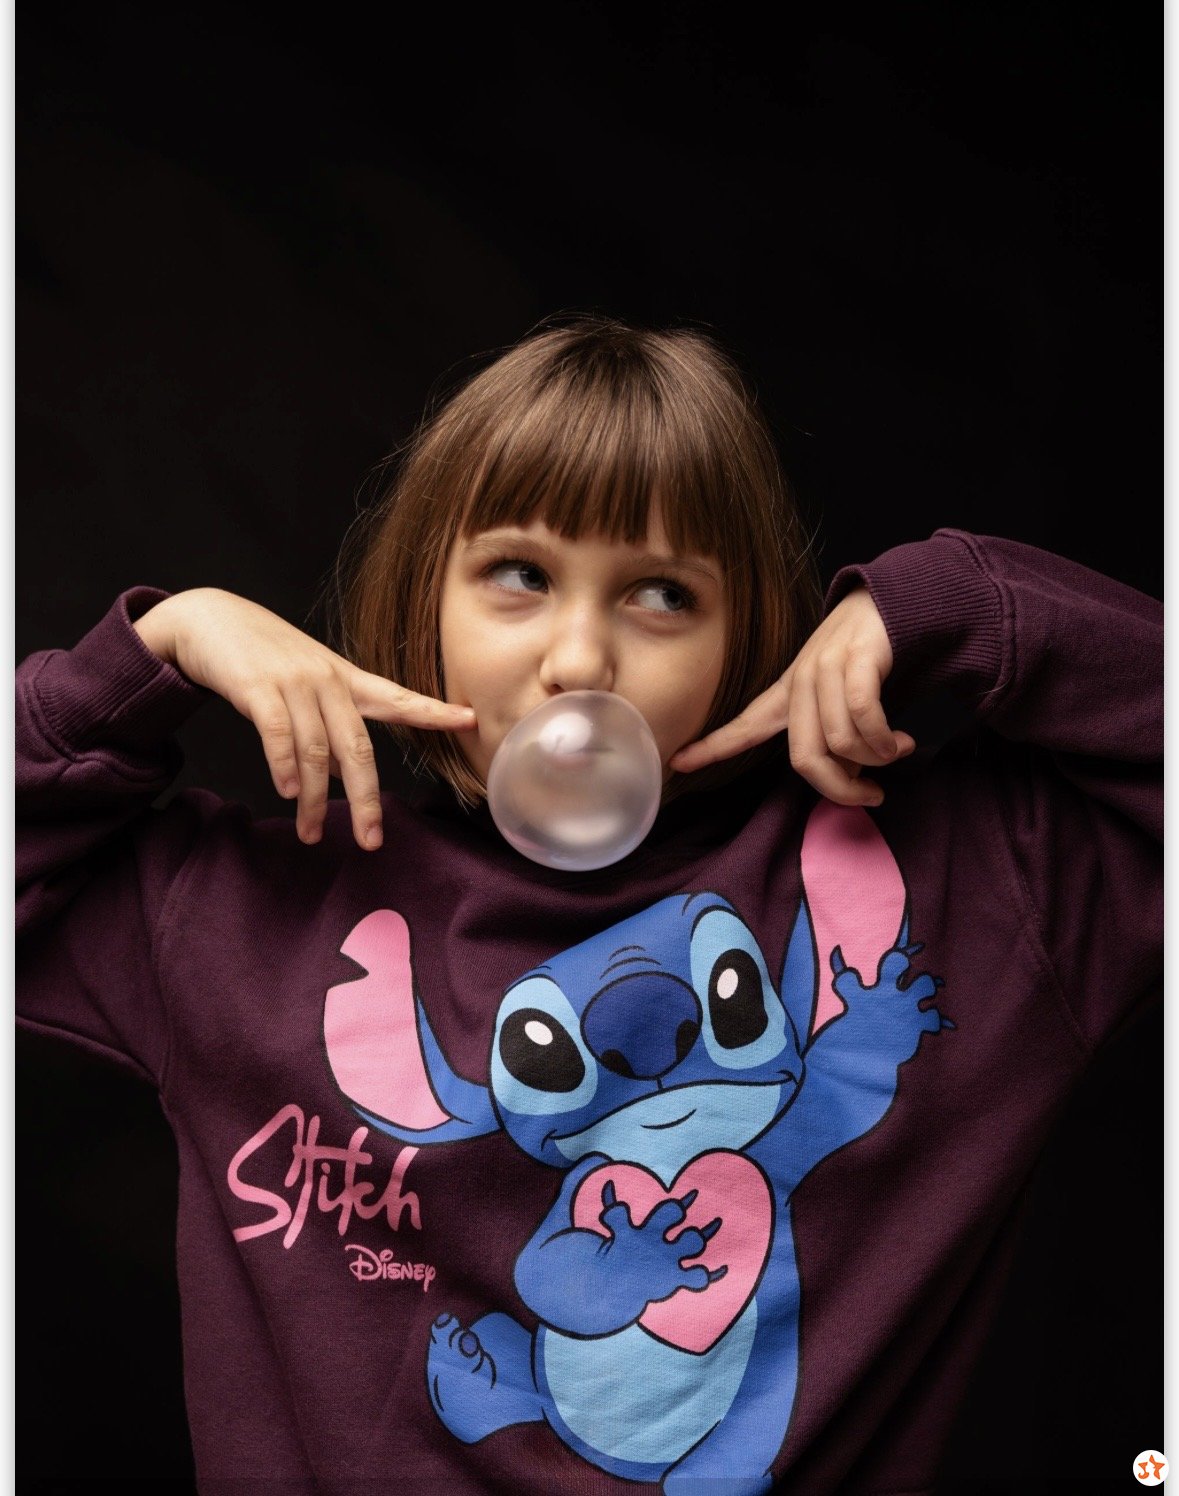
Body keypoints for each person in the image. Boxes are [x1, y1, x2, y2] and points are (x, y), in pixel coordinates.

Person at [15, 312, 1162, 1495]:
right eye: (518, 574)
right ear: (423, 596)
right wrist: (156, 649)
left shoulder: (957, 896)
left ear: (749, 633)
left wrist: (955, 603)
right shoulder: (245, 919)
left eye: (661, 593)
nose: (578, 659)